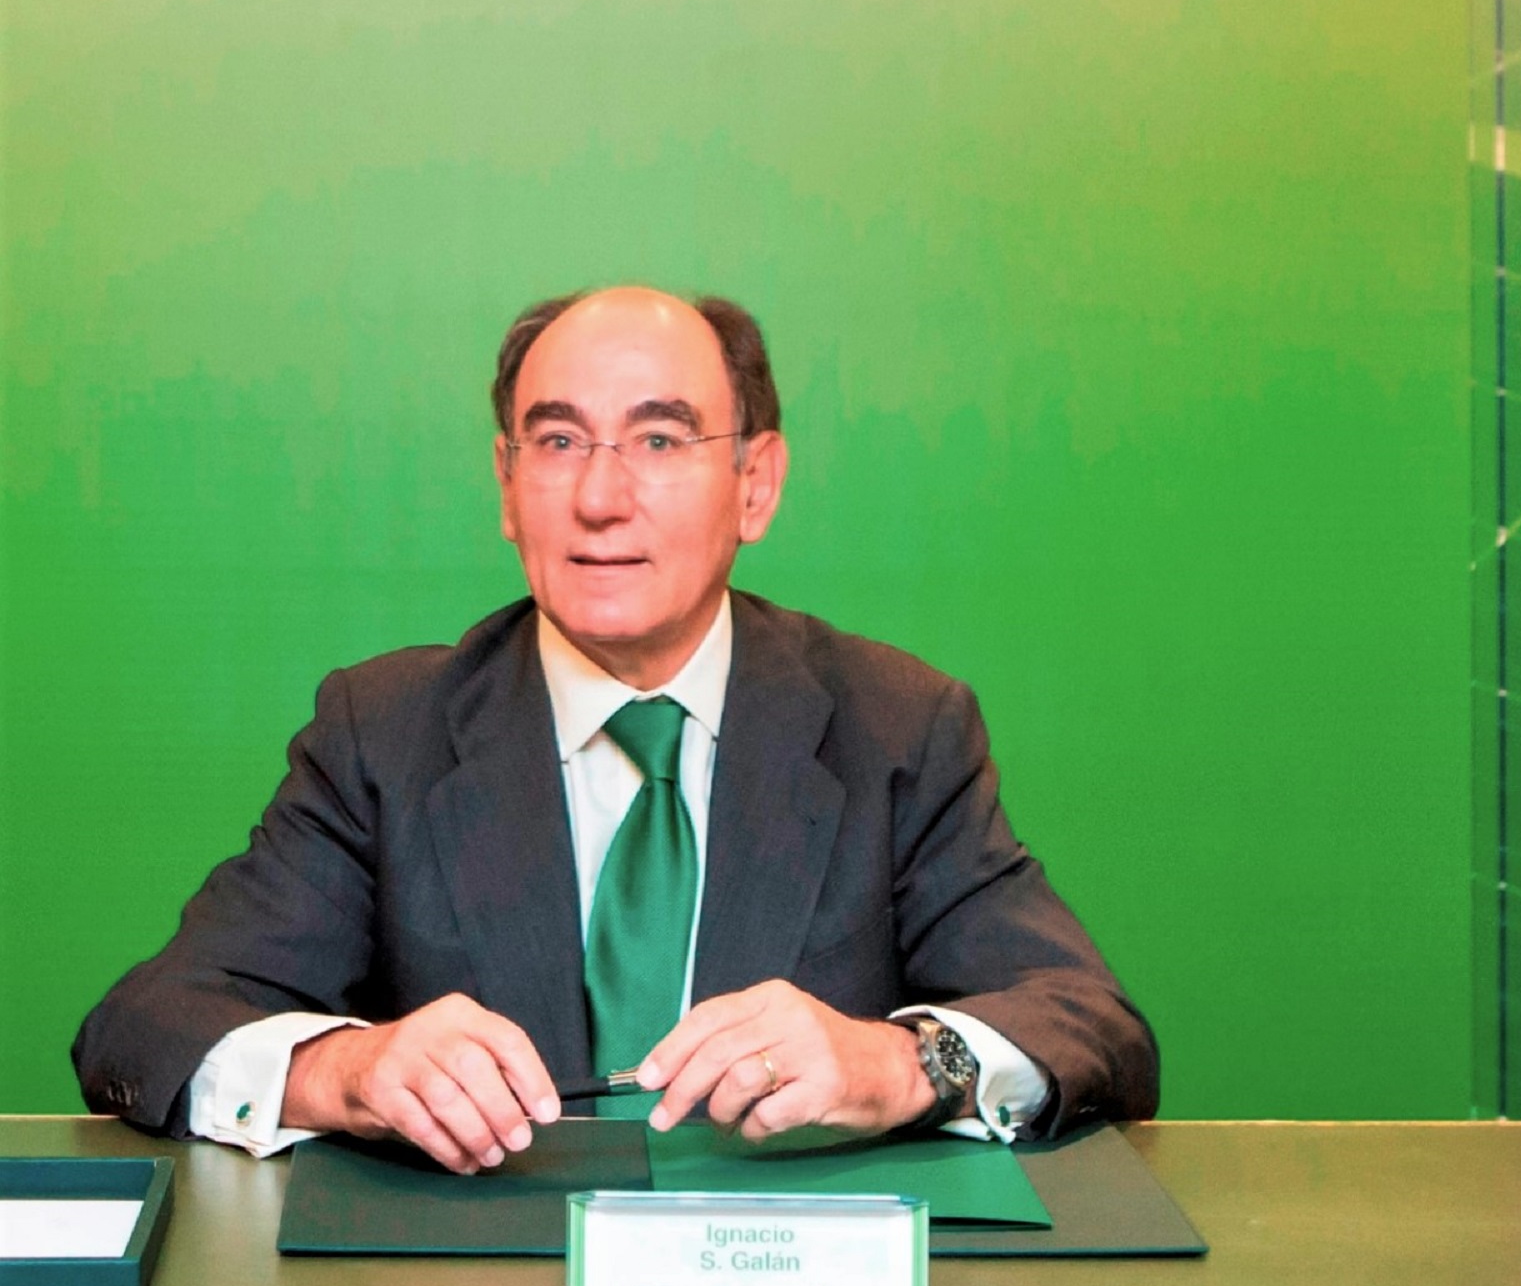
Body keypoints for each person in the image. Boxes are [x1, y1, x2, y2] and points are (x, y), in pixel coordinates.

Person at [74, 288, 1157, 1172]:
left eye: (659, 438)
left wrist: (898, 1063)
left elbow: (1091, 1026)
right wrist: (344, 1072)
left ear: (755, 485)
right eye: (557, 440)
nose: (600, 495)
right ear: (508, 486)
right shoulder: (384, 733)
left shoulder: (897, 726)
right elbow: (146, 1024)